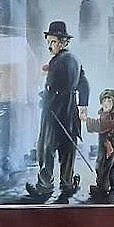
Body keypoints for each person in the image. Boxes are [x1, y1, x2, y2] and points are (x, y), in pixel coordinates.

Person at [26, 21, 89, 201]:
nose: (50, 46)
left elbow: (51, 88)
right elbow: (84, 84)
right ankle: (67, 183)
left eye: (53, 42)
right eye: (49, 41)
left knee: (46, 147)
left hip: (54, 111)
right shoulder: (75, 60)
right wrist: (83, 105)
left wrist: (44, 99)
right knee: (68, 148)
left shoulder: (56, 61)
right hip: (70, 111)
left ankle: (45, 185)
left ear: (62, 42)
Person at [84, 88, 114, 200]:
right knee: (109, 166)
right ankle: (112, 185)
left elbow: (100, 126)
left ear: (113, 103)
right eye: (104, 100)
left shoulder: (109, 116)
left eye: (109, 101)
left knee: (102, 166)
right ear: (101, 102)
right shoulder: (107, 114)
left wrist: (86, 119)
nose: (106, 103)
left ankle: (102, 188)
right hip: (109, 143)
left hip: (108, 145)